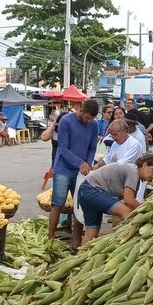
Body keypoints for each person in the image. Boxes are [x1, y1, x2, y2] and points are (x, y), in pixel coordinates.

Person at [48, 98, 100, 247]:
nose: (88, 121)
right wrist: (80, 163)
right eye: (86, 117)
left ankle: (76, 243)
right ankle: (50, 240)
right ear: (81, 110)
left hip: (81, 171)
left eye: (91, 119)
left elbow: (92, 148)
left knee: (79, 206)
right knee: (57, 205)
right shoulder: (66, 121)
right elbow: (63, 149)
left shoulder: (94, 125)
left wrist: (88, 164)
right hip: (63, 169)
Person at [77, 154, 153, 244]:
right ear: (144, 165)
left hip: (84, 190)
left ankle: (81, 256)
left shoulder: (133, 174)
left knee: (91, 233)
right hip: (92, 190)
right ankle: (122, 244)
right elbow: (129, 201)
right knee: (126, 212)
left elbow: (128, 200)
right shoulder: (133, 171)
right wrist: (148, 210)